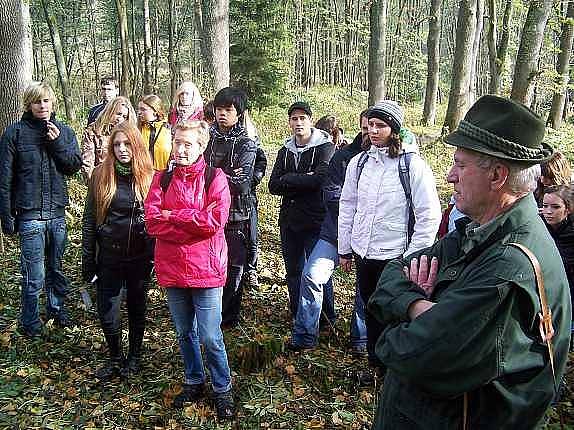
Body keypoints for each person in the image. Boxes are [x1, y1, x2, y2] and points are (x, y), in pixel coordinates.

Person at [369, 95, 571, 429]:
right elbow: (392, 272)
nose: (450, 176)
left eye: (460, 165)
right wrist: (419, 307)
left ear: (497, 176)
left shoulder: (509, 265)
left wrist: (395, 322)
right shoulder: (479, 229)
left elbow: (407, 354)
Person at [338, 100, 441, 374]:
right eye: (370, 125)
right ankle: (375, 364)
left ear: (394, 129)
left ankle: (396, 368)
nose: (372, 130)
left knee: (395, 313)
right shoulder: (358, 163)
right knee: (370, 307)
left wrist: (413, 256)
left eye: (380, 125)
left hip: (396, 255)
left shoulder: (413, 166)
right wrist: (345, 248)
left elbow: (429, 214)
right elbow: (348, 205)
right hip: (364, 252)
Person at [144, 120, 235, 421]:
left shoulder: (214, 177)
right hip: (172, 269)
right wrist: (188, 221)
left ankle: (222, 388)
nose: (181, 149)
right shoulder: (162, 179)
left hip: (206, 269)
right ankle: (194, 380)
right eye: (177, 142)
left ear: (201, 146)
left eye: (188, 144)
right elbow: (154, 222)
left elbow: (214, 222)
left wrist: (174, 217)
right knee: (185, 332)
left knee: (210, 336)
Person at [0, 81, 82, 337]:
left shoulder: (65, 132)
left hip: (57, 214)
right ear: (29, 104)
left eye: (46, 101)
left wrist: (56, 143)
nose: (42, 106)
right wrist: (6, 217)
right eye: (37, 101)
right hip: (29, 216)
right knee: (33, 274)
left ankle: (57, 311)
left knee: (56, 269)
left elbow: (73, 166)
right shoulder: (14, 133)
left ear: (52, 102)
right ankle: (31, 321)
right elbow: (3, 179)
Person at [287, 110, 369, 352]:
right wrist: (356, 210)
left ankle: (361, 339)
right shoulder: (343, 156)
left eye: (375, 127)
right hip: (335, 231)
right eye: (365, 127)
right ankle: (305, 335)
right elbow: (331, 193)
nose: (369, 132)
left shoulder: (396, 161)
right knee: (311, 275)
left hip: (372, 237)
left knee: (365, 287)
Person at [82, 122, 154, 380]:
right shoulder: (101, 174)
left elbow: (158, 220)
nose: (122, 149)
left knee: (137, 307)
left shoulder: (149, 175)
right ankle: (115, 357)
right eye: (117, 144)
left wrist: (155, 255)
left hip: (140, 257)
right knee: (108, 310)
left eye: (127, 144)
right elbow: (89, 219)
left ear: (136, 145)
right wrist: (88, 259)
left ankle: (134, 356)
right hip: (109, 255)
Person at [268, 101, 335, 320]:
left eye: (302, 118)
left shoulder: (325, 147)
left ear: (311, 120)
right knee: (294, 271)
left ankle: (326, 317)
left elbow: (319, 180)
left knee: (318, 273)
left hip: (316, 220)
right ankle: (298, 313)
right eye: (294, 119)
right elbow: (273, 185)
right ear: (289, 122)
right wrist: (300, 179)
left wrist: (289, 180)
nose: (298, 123)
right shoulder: (285, 150)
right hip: (289, 220)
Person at [205, 87, 257, 328]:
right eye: (219, 109)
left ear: (239, 112)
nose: (222, 114)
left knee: (234, 268)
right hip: (206, 211)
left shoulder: (246, 142)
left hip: (237, 213)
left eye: (228, 109)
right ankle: (211, 314)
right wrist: (224, 174)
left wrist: (210, 176)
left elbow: (242, 181)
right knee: (209, 264)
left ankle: (229, 318)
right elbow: (195, 173)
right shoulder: (207, 137)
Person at [541, 185, 574, 345]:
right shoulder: (539, 226)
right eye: (545, 206)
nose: (548, 211)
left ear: (567, 209)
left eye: (555, 207)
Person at [81, 96, 137, 181]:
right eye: (118, 114)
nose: (120, 119)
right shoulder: (93, 132)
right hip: (101, 180)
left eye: (124, 117)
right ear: (110, 111)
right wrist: (95, 184)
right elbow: (87, 164)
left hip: (125, 182)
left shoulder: (131, 133)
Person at [242, 110, 267, 289]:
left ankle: (251, 269)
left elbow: (261, 160)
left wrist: (253, 178)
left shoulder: (250, 133)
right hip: (226, 193)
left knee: (251, 235)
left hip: (248, 194)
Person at [137, 94, 172, 170]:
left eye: (143, 109)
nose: (139, 112)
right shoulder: (138, 129)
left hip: (163, 175)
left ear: (155, 111)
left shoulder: (169, 130)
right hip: (143, 174)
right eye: (138, 109)